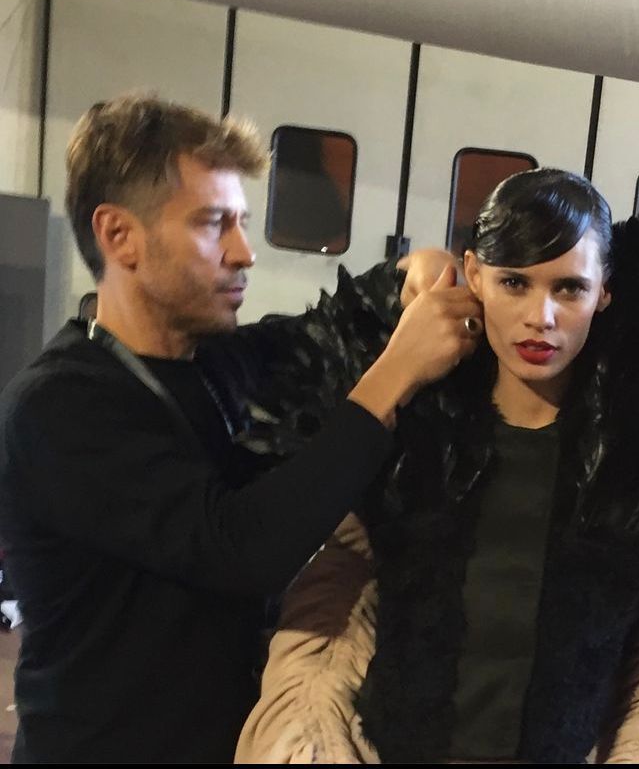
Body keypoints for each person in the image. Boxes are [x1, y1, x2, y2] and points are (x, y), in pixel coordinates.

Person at [234, 168, 639, 764]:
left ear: (605, 293)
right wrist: (407, 276)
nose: (540, 317)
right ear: (473, 277)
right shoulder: (412, 431)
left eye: (569, 288)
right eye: (514, 282)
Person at [0, 93, 483, 763]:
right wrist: (395, 370)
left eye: (244, 222)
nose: (244, 252)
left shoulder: (222, 359)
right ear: (119, 236)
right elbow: (239, 548)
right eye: (212, 224)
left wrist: (411, 274)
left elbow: (333, 323)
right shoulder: (60, 407)